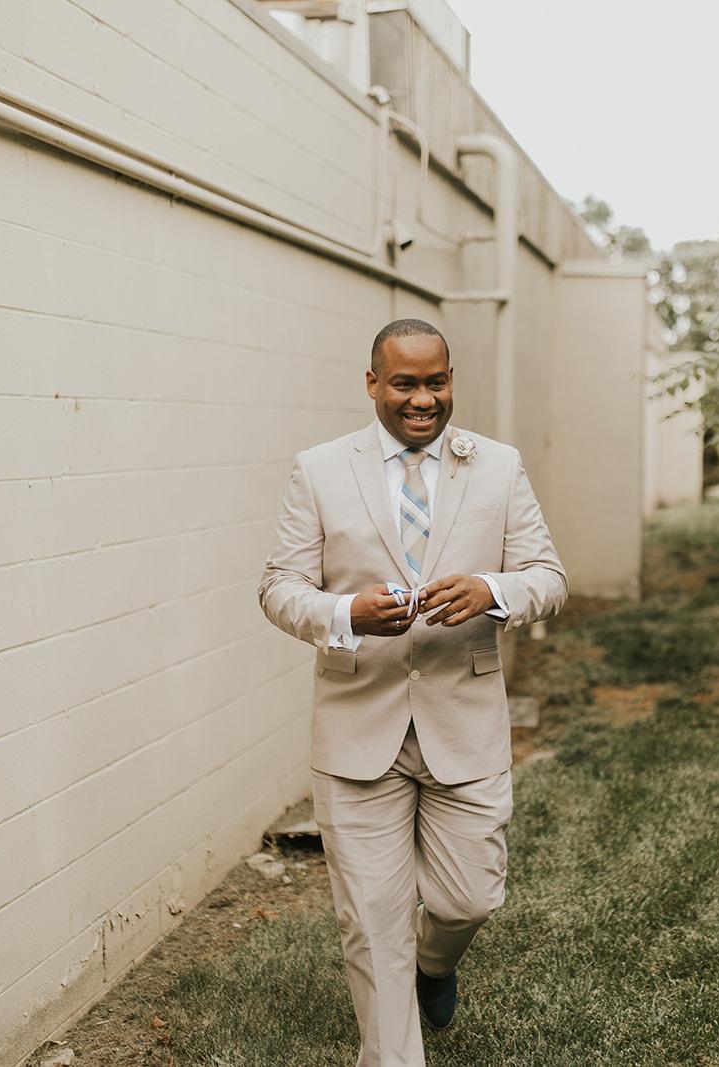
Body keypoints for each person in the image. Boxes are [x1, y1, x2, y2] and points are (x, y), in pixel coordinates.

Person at [258, 318, 567, 1066]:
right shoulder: (320, 470)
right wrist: (345, 614)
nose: (422, 399)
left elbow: (549, 577)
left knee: (470, 898)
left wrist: (492, 590)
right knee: (373, 924)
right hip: (357, 725)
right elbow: (278, 588)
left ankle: (436, 961)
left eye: (436, 383)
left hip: (464, 722)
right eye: (405, 384)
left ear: (451, 381)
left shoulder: (498, 466)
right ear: (374, 384)